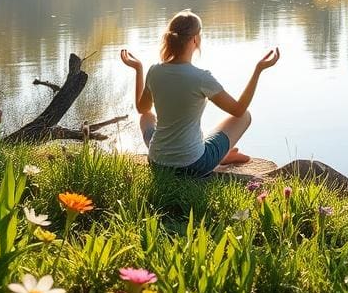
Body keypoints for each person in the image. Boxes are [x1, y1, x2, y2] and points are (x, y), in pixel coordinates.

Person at [119, 9, 280, 177]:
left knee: (146, 117)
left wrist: (138, 69)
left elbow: (142, 109)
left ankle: (222, 155)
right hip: (193, 165)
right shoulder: (201, 78)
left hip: (157, 162)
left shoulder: (154, 71)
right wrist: (258, 70)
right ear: (195, 39)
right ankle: (220, 155)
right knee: (245, 116)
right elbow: (238, 110)